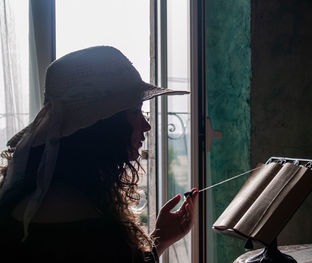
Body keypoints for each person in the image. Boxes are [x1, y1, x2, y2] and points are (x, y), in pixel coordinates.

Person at [0, 46, 199, 262]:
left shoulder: (31, 199)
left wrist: (160, 239)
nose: (146, 125)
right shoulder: (82, 218)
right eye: (135, 111)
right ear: (104, 125)